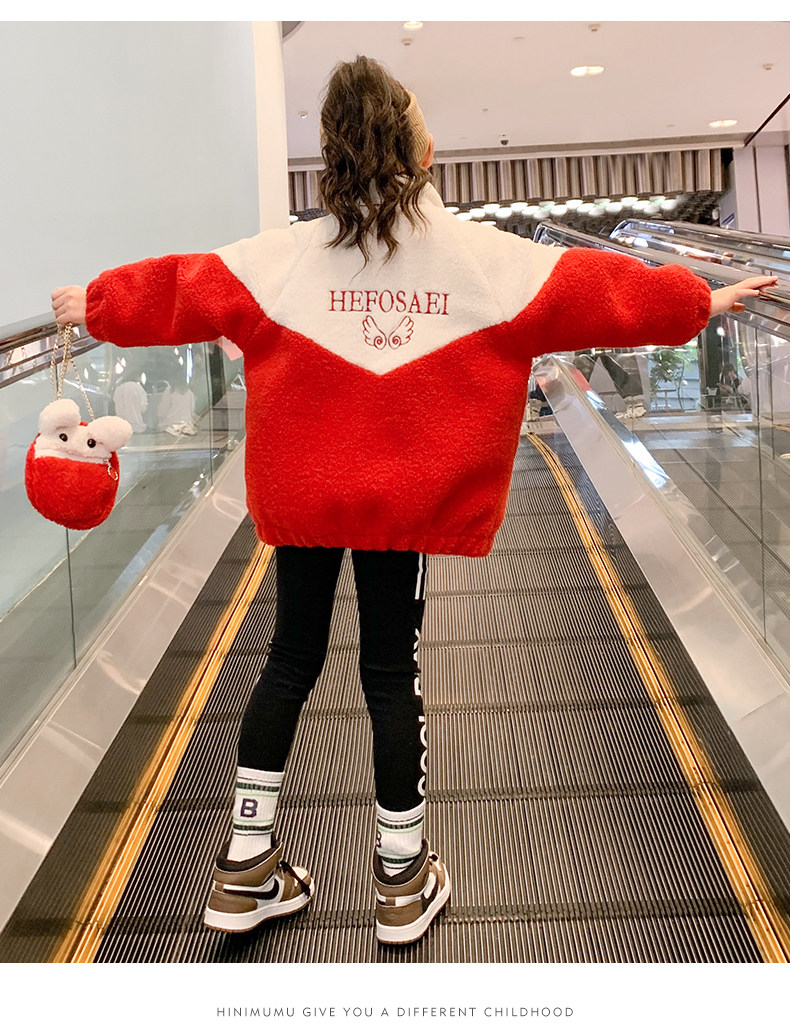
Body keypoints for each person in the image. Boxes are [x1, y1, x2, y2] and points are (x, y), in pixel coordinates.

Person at [51, 55, 777, 947]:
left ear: (333, 153)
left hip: (307, 493)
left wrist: (96, 305)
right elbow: (602, 292)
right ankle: (400, 879)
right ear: (422, 151)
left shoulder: (279, 260)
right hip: (404, 501)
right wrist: (701, 299)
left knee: (288, 662)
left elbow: (180, 287)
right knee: (391, 674)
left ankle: (244, 867)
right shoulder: (482, 260)